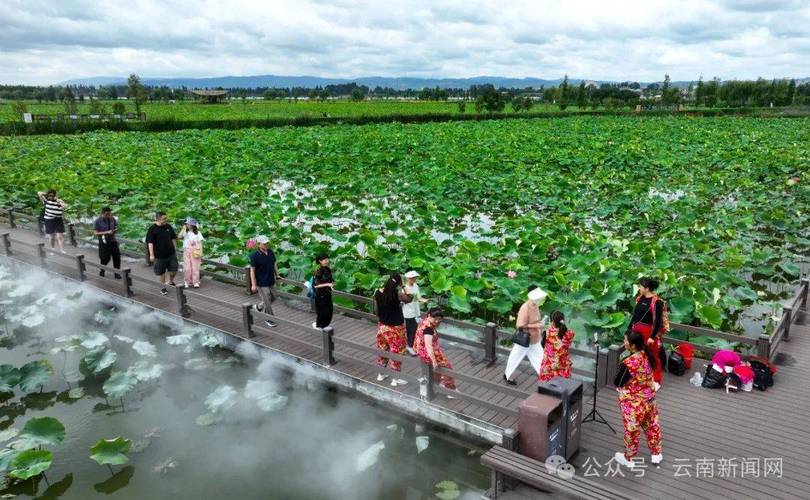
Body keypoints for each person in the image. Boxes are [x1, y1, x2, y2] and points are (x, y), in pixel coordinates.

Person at [614, 330, 663, 468]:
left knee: (632, 430)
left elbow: (618, 382)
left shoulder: (628, 362)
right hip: (650, 399)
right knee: (652, 426)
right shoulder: (647, 354)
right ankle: (656, 454)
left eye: (625, 341)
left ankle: (628, 458)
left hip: (634, 404)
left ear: (633, 345)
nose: (624, 343)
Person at [374, 273, 412, 387]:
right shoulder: (398, 294)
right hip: (396, 329)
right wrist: (404, 286)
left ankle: (381, 374)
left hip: (382, 327)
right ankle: (395, 378)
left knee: (383, 350)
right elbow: (410, 298)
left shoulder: (377, 292)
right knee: (397, 352)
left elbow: (376, 311)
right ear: (398, 283)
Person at [503, 286, 547, 386]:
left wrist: (540, 324)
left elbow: (536, 319)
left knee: (541, 358)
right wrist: (536, 325)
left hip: (535, 338)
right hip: (525, 339)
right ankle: (507, 375)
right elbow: (519, 325)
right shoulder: (525, 308)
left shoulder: (535, 306)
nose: (540, 299)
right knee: (515, 357)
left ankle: (545, 378)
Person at [627, 277, 665, 390]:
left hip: (648, 332)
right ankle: (639, 376)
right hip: (636, 330)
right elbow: (634, 316)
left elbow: (658, 321)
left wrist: (652, 337)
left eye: (640, 286)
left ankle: (656, 380)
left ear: (647, 288)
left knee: (653, 356)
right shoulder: (640, 298)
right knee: (637, 354)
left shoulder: (657, 302)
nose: (638, 288)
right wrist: (629, 330)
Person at [414, 307, 457, 394]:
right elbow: (429, 346)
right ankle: (451, 390)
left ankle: (437, 383)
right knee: (447, 368)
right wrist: (434, 361)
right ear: (429, 315)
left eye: (439, 319)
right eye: (435, 319)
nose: (437, 321)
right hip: (429, 353)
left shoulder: (424, 320)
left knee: (435, 369)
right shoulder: (428, 329)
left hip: (421, 350)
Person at [145, 212, 178, 296]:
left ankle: (170, 281)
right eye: (164, 218)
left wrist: (175, 248)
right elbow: (150, 243)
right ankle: (163, 287)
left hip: (171, 254)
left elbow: (173, 238)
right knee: (162, 272)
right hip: (159, 255)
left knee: (173, 270)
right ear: (158, 219)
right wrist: (151, 255)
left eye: (166, 218)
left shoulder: (168, 227)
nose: (166, 220)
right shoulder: (152, 229)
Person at [249, 235, 278, 328]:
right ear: (258, 244)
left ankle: (258, 307)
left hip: (271, 280)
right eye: (264, 243)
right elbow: (252, 271)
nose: (266, 244)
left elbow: (274, 263)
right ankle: (269, 318)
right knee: (267, 301)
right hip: (261, 282)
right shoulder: (254, 256)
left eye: (267, 243)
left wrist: (277, 274)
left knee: (274, 296)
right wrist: (253, 285)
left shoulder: (270, 252)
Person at [538, 310, 575, 382]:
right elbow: (569, 333)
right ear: (563, 320)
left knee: (546, 387)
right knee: (562, 387)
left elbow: (543, 344)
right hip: (562, 365)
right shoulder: (569, 334)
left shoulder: (548, 332)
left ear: (553, 322)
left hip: (549, 365)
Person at [402, 270, 427, 355]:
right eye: (412, 278)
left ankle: (411, 345)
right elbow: (405, 300)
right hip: (408, 313)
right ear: (408, 278)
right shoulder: (404, 289)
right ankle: (409, 346)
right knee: (412, 330)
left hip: (416, 311)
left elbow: (418, 297)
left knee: (415, 330)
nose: (414, 279)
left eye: (415, 278)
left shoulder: (416, 286)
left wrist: (423, 300)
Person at [93, 207, 120, 279]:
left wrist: (115, 230)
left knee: (117, 257)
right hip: (104, 241)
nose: (109, 215)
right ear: (103, 213)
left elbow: (115, 227)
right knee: (105, 258)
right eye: (107, 214)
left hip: (113, 240)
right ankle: (102, 270)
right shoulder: (97, 221)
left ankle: (117, 273)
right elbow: (95, 233)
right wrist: (106, 232)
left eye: (110, 213)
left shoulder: (112, 219)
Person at [178, 217, 204, 288]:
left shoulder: (198, 233)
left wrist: (200, 253)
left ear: (192, 225)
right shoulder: (185, 232)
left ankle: (195, 282)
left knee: (195, 268)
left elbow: (200, 243)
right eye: (186, 224)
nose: (187, 225)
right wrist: (183, 229)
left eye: (188, 224)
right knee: (187, 268)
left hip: (195, 251)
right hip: (187, 251)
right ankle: (187, 281)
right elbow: (179, 237)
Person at [311, 253, 334, 329]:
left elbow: (330, 280)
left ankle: (323, 325)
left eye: (327, 259)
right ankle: (320, 326)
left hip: (327, 293)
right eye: (325, 260)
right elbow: (316, 285)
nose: (327, 261)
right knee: (323, 312)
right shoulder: (319, 271)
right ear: (320, 261)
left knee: (330, 310)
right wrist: (327, 284)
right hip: (320, 294)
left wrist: (331, 285)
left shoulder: (328, 269)